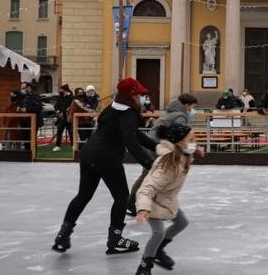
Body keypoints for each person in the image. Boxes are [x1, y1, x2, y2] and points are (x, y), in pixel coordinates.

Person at [52, 78, 159, 255]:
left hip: (88, 154)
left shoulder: (113, 107)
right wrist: (149, 163)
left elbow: (134, 134)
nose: (141, 97)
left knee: (83, 195)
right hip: (107, 157)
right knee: (122, 197)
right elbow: (130, 140)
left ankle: (63, 234)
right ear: (131, 95)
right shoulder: (128, 113)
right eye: (139, 94)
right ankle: (115, 238)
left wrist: (156, 147)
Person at [134, 123, 203, 275]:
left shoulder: (181, 154)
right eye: (191, 140)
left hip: (167, 199)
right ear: (178, 142)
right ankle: (145, 266)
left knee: (181, 222)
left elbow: (188, 150)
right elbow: (146, 188)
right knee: (158, 233)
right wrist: (144, 209)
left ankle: (158, 249)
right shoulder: (168, 164)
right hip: (152, 202)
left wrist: (196, 149)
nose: (194, 142)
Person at [128, 94, 199, 215]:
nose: (192, 110)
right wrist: (195, 148)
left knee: (149, 175)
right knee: (149, 176)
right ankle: (134, 204)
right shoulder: (180, 115)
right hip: (156, 146)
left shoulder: (172, 112)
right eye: (192, 107)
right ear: (186, 105)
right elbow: (180, 135)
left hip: (153, 144)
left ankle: (136, 203)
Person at [53, 84, 74, 152]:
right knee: (59, 131)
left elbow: (71, 107)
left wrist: (64, 112)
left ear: (65, 89)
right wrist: (58, 111)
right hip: (61, 118)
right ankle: (57, 146)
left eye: (61, 89)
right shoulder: (59, 97)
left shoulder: (71, 97)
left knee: (71, 132)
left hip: (69, 118)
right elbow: (56, 106)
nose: (60, 90)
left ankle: (73, 145)